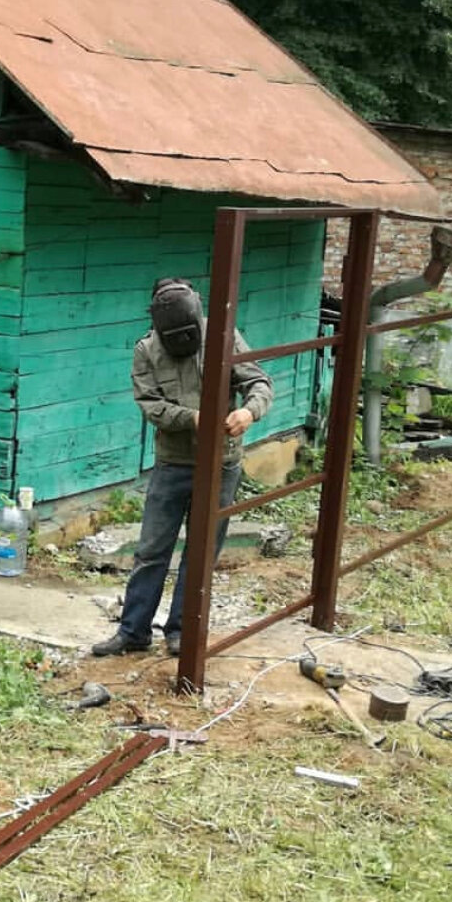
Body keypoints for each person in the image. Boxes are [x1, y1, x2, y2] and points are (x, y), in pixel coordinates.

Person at [92, 278, 273, 658]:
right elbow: (149, 404)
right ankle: (133, 632)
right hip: (173, 463)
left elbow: (258, 381)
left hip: (220, 463)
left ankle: (181, 631)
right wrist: (191, 418)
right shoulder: (146, 350)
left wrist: (247, 411)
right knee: (151, 550)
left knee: (201, 551)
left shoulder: (223, 336)